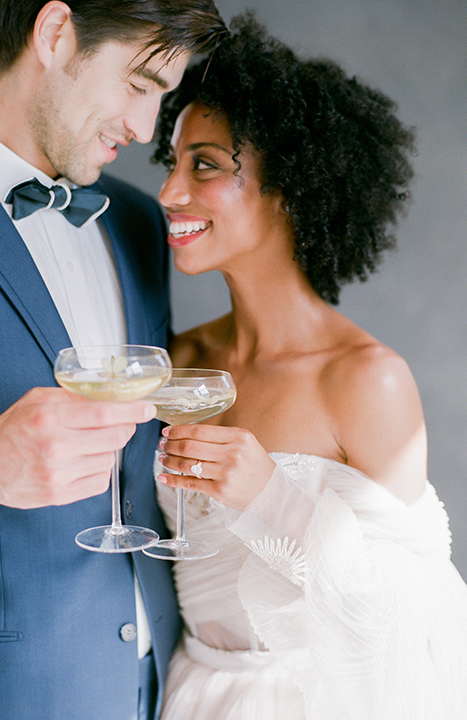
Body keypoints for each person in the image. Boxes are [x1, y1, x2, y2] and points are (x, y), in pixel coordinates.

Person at [151, 14, 467, 719]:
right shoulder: (180, 362)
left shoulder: (364, 380)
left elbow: (408, 620)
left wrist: (270, 496)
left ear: (289, 183)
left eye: (204, 164)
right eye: (170, 164)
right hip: (185, 695)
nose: (170, 192)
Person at [0, 2, 226, 719]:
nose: (147, 129)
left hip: (157, 689)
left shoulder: (137, 221)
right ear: (56, 33)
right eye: (139, 83)